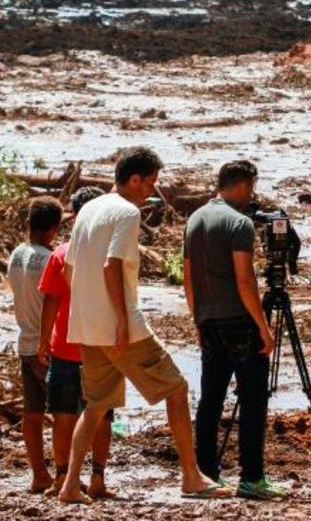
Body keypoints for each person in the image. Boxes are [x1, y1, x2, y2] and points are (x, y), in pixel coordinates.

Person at [58, 147, 233, 504]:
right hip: (121, 326)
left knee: (94, 405)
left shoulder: (88, 209)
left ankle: (70, 485)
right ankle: (190, 475)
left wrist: (90, 313)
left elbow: (68, 269)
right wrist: (121, 320)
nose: (151, 191)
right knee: (176, 388)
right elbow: (111, 266)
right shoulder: (126, 212)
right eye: (150, 183)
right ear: (134, 179)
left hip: (87, 326)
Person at [183, 160, 285, 499]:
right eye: (251, 188)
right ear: (243, 184)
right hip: (239, 321)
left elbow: (188, 278)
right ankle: (252, 478)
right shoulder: (239, 223)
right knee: (254, 399)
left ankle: (205, 474)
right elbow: (245, 279)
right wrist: (263, 327)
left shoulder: (195, 219)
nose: (252, 195)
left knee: (210, 399)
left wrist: (198, 318)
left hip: (209, 320)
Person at [36, 186, 115, 499]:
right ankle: (97, 478)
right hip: (100, 345)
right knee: (101, 416)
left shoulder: (61, 253)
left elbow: (51, 302)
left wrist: (43, 341)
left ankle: (62, 477)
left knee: (63, 415)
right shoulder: (111, 252)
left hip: (66, 347)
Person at [7, 196, 62, 493]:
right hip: (47, 345)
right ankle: (64, 472)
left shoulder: (17, 253)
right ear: (53, 229)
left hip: (25, 342)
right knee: (64, 412)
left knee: (33, 414)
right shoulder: (50, 259)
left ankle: (39, 474)